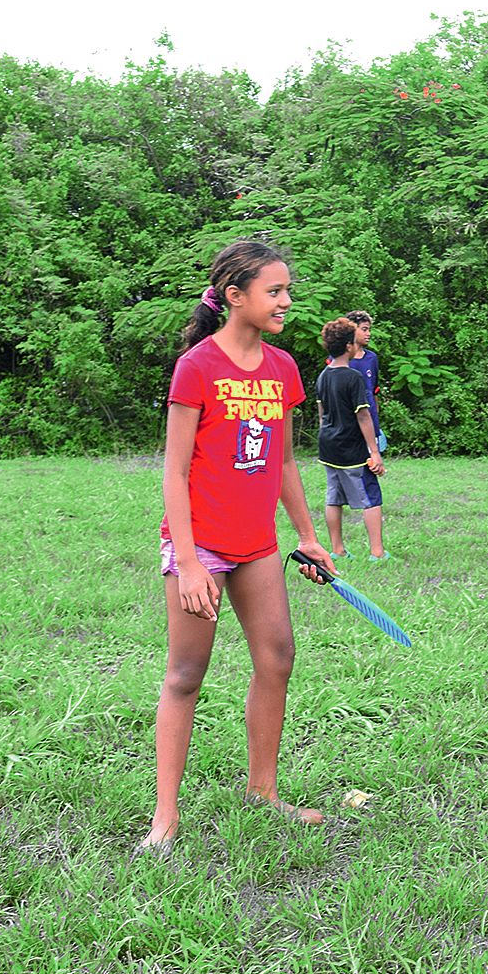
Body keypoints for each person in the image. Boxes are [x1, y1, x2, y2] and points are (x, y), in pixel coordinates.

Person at [141, 239, 334, 852]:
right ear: (235, 296)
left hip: (257, 546)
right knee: (186, 675)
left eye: (286, 290)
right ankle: (164, 821)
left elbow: (281, 462)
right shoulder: (197, 366)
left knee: (277, 659)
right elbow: (173, 472)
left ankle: (264, 793)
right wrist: (191, 563)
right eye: (274, 291)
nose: (286, 301)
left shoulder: (282, 368)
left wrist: (306, 535)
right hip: (200, 547)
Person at [317, 316, 388, 561]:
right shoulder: (353, 378)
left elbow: (322, 413)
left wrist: (325, 438)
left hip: (328, 447)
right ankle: (377, 553)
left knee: (333, 497)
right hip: (353, 449)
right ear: (349, 346)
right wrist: (374, 452)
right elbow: (363, 416)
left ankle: (337, 550)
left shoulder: (323, 375)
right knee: (371, 496)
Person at [345, 310, 385, 452]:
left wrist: (375, 423)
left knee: (371, 466)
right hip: (348, 425)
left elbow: (374, 391)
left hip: (369, 422)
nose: (368, 334)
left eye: (369, 330)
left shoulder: (372, 358)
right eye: (364, 329)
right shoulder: (338, 359)